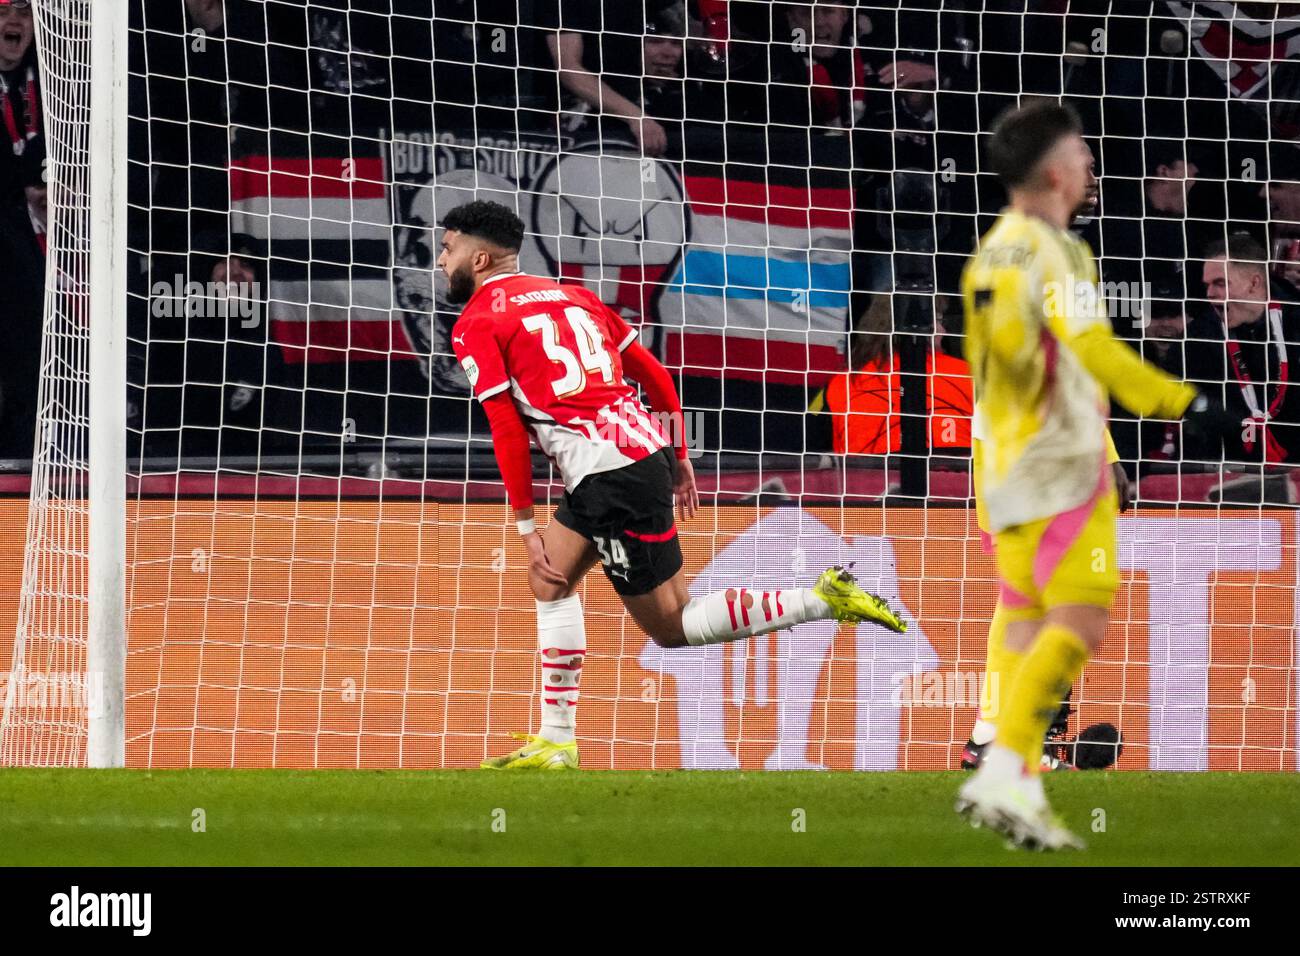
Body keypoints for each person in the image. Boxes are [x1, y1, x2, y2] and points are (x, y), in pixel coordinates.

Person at [439, 200, 906, 770]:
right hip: (634, 455)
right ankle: (556, 740)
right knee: (551, 584)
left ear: (479, 256)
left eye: (448, 247)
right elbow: (654, 374)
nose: (442, 260)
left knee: (673, 624)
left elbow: (507, 428)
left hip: (609, 474)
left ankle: (822, 598)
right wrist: (679, 453)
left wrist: (525, 527)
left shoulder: (477, 322)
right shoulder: (573, 295)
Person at [954, 101, 1236, 849]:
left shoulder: (994, 249)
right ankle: (1002, 759)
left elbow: (998, 353)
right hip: (1058, 455)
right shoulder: (1059, 253)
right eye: (1081, 155)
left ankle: (1003, 759)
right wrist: (1183, 402)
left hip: (1002, 451)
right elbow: (1092, 351)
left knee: (1024, 608)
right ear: (1053, 169)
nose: (1089, 168)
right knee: (1079, 617)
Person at [1184, 233, 1300, 464]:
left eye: (1220, 283)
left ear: (1254, 283)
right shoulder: (1201, 335)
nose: (1209, 293)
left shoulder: (1296, 322)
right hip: (1227, 471)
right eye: (1207, 285)